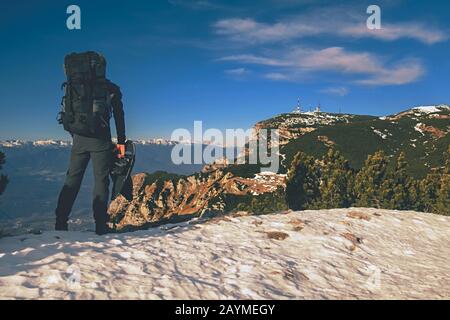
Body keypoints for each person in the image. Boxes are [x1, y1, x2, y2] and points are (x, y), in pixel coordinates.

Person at [55, 53, 126, 235]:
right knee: (101, 180)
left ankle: (61, 223)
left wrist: (77, 134)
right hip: (101, 140)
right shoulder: (110, 88)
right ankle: (100, 226)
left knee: (72, 180)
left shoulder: (75, 86)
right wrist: (121, 141)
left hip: (79, 139)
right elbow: (119, 116)